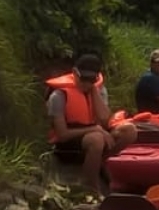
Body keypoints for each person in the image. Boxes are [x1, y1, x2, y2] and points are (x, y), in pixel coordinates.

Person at [46, 53, 139, 194]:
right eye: (84, 78)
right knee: (96, 138)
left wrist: (94, 90)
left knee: (130, 130)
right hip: (69, 144)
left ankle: (100, 162)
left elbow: (104, 118)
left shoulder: (98, 90)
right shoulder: (58, 96)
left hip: (95, 135)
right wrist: (94, 129)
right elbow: (62, 135)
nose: (87, 83)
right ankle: (90, 188)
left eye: (91, 79)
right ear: (75, 73)